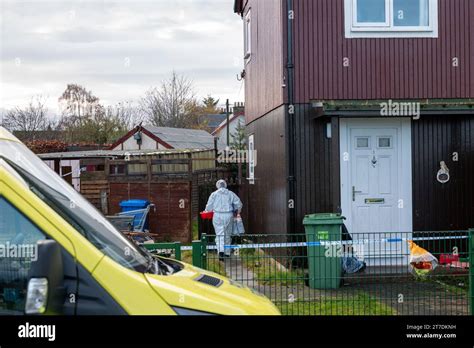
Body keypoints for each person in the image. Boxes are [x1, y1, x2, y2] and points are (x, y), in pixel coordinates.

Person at [205, 180, 242, 261]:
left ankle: (220, 251)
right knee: (227, 234)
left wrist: (207, 211)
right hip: (229, 215)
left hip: (217, 215)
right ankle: (227, 253)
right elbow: (239, 203)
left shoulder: (214, 194)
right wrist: (237, 211)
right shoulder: (230, 193)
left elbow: (209, 207)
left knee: (219, 234)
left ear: (217, 185)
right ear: (225, 185)